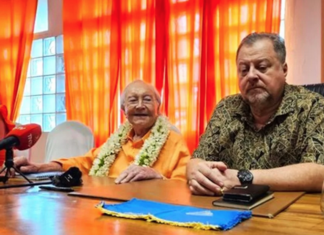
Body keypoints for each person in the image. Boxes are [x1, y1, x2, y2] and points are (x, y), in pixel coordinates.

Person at [187, 32, 324, 196]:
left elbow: (319, 172)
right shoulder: (226, 108)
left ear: (284, 69)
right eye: (244, 70)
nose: (251, 76)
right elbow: (198, 159)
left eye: (262, 67)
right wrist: (195, 171)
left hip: (291, 214)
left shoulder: (313, 105)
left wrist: (243, 178)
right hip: (229, 210)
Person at [14, 80, 190, 183]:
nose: (140, 106)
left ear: (157, 107)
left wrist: (157, 177)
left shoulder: (173, 141)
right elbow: (84, 162)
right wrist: (38, 167)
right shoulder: (117, 141)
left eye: (147, 99)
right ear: (124, 110)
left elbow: (184, 185)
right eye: (132, 100)